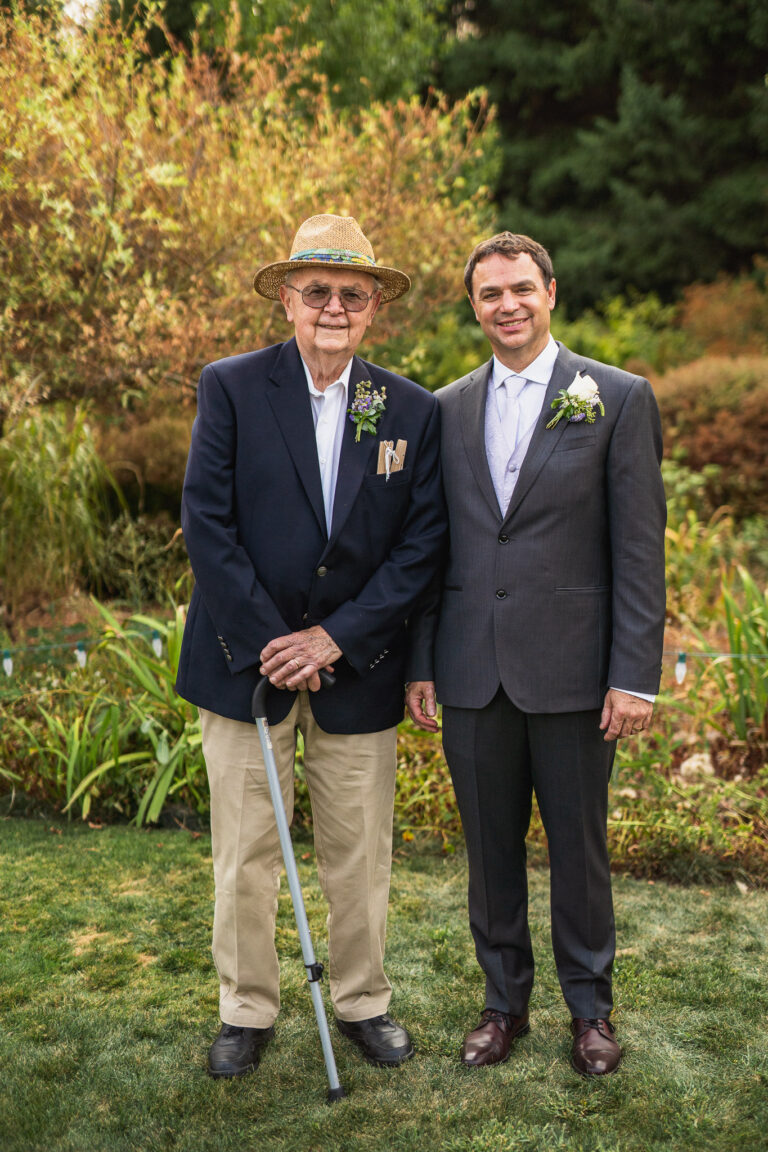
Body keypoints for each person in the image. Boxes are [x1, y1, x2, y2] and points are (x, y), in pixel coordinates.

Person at [176, 214, 444, 1078]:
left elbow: (420, 548)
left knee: (359, 855)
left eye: (352, 295)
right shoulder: (231, 386)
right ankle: (246, 1010)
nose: (335, 307)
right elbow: (207, 524)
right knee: (246, 852)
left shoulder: (409, 409)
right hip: (243, 666)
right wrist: (276, 644)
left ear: (375, 309)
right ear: (287, 299)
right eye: (318, 291)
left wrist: (333, 639)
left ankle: (363, 1001)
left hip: (358, 669)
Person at [406, 232, 666, 1077]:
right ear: (473, 306)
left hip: (575, 674)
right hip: (472, 671)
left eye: (521, 288)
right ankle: (502, 1005)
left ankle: (590, 1011)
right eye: (490, 294)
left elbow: (640, 550)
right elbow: (430, 550)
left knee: (579, 853)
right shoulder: (444, 409)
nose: (507, 304)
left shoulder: (616, 398)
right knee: (489, 853)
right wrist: (422, 662)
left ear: (550, 292)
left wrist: (633, 676)